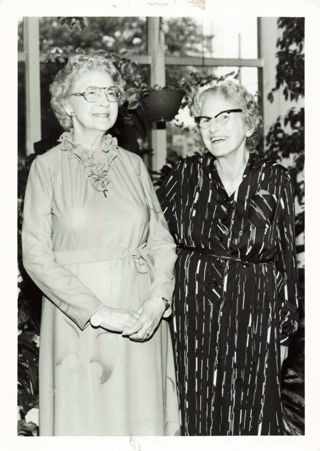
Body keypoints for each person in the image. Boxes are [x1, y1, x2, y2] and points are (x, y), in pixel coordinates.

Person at [22, 53, 180, 436]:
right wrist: (100, 312)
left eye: (110, 92)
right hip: (81, 324)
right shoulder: (46, 167)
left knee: (141, 427)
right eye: (90, 93)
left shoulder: (133, 164)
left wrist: (157, 302)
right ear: (66, 105)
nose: (103, 101)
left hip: (142, 318)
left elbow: (161, 240)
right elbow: (36, 256)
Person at [157, 80, 299, 435]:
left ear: (248, 122)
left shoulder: (275, 178)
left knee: (251, 413)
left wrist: (283, 334)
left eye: (223, 116)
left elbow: (285, 259)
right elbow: (157, 244)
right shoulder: (183, 176)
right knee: (196, 408)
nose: (212, 127)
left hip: (254, 315)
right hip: (194, 315)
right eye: (204, 120)